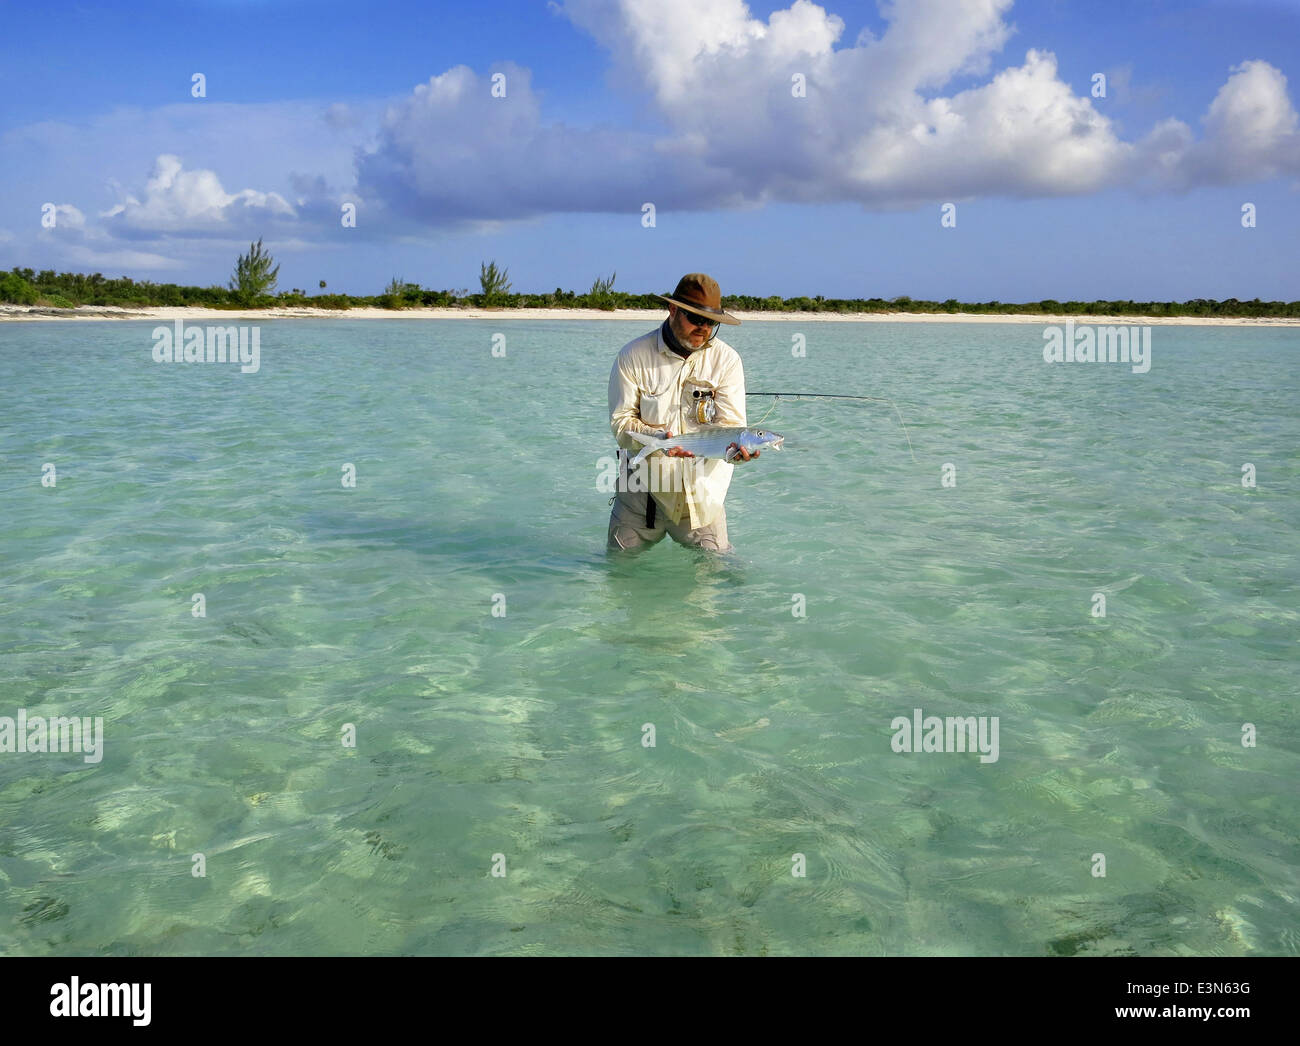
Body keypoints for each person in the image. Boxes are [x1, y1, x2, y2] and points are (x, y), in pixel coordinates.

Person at [606, 273, 761, 553]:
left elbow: (732, 428)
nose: (703, 328)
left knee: (715, 578)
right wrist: (656, 438)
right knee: (617, 576)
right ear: (673, 310)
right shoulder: (633, 356)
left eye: (711, 322)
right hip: (641, 494)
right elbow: (621, 424)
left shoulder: (727, 361)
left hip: (702, 499)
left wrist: (738, 456)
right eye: (695, 319)